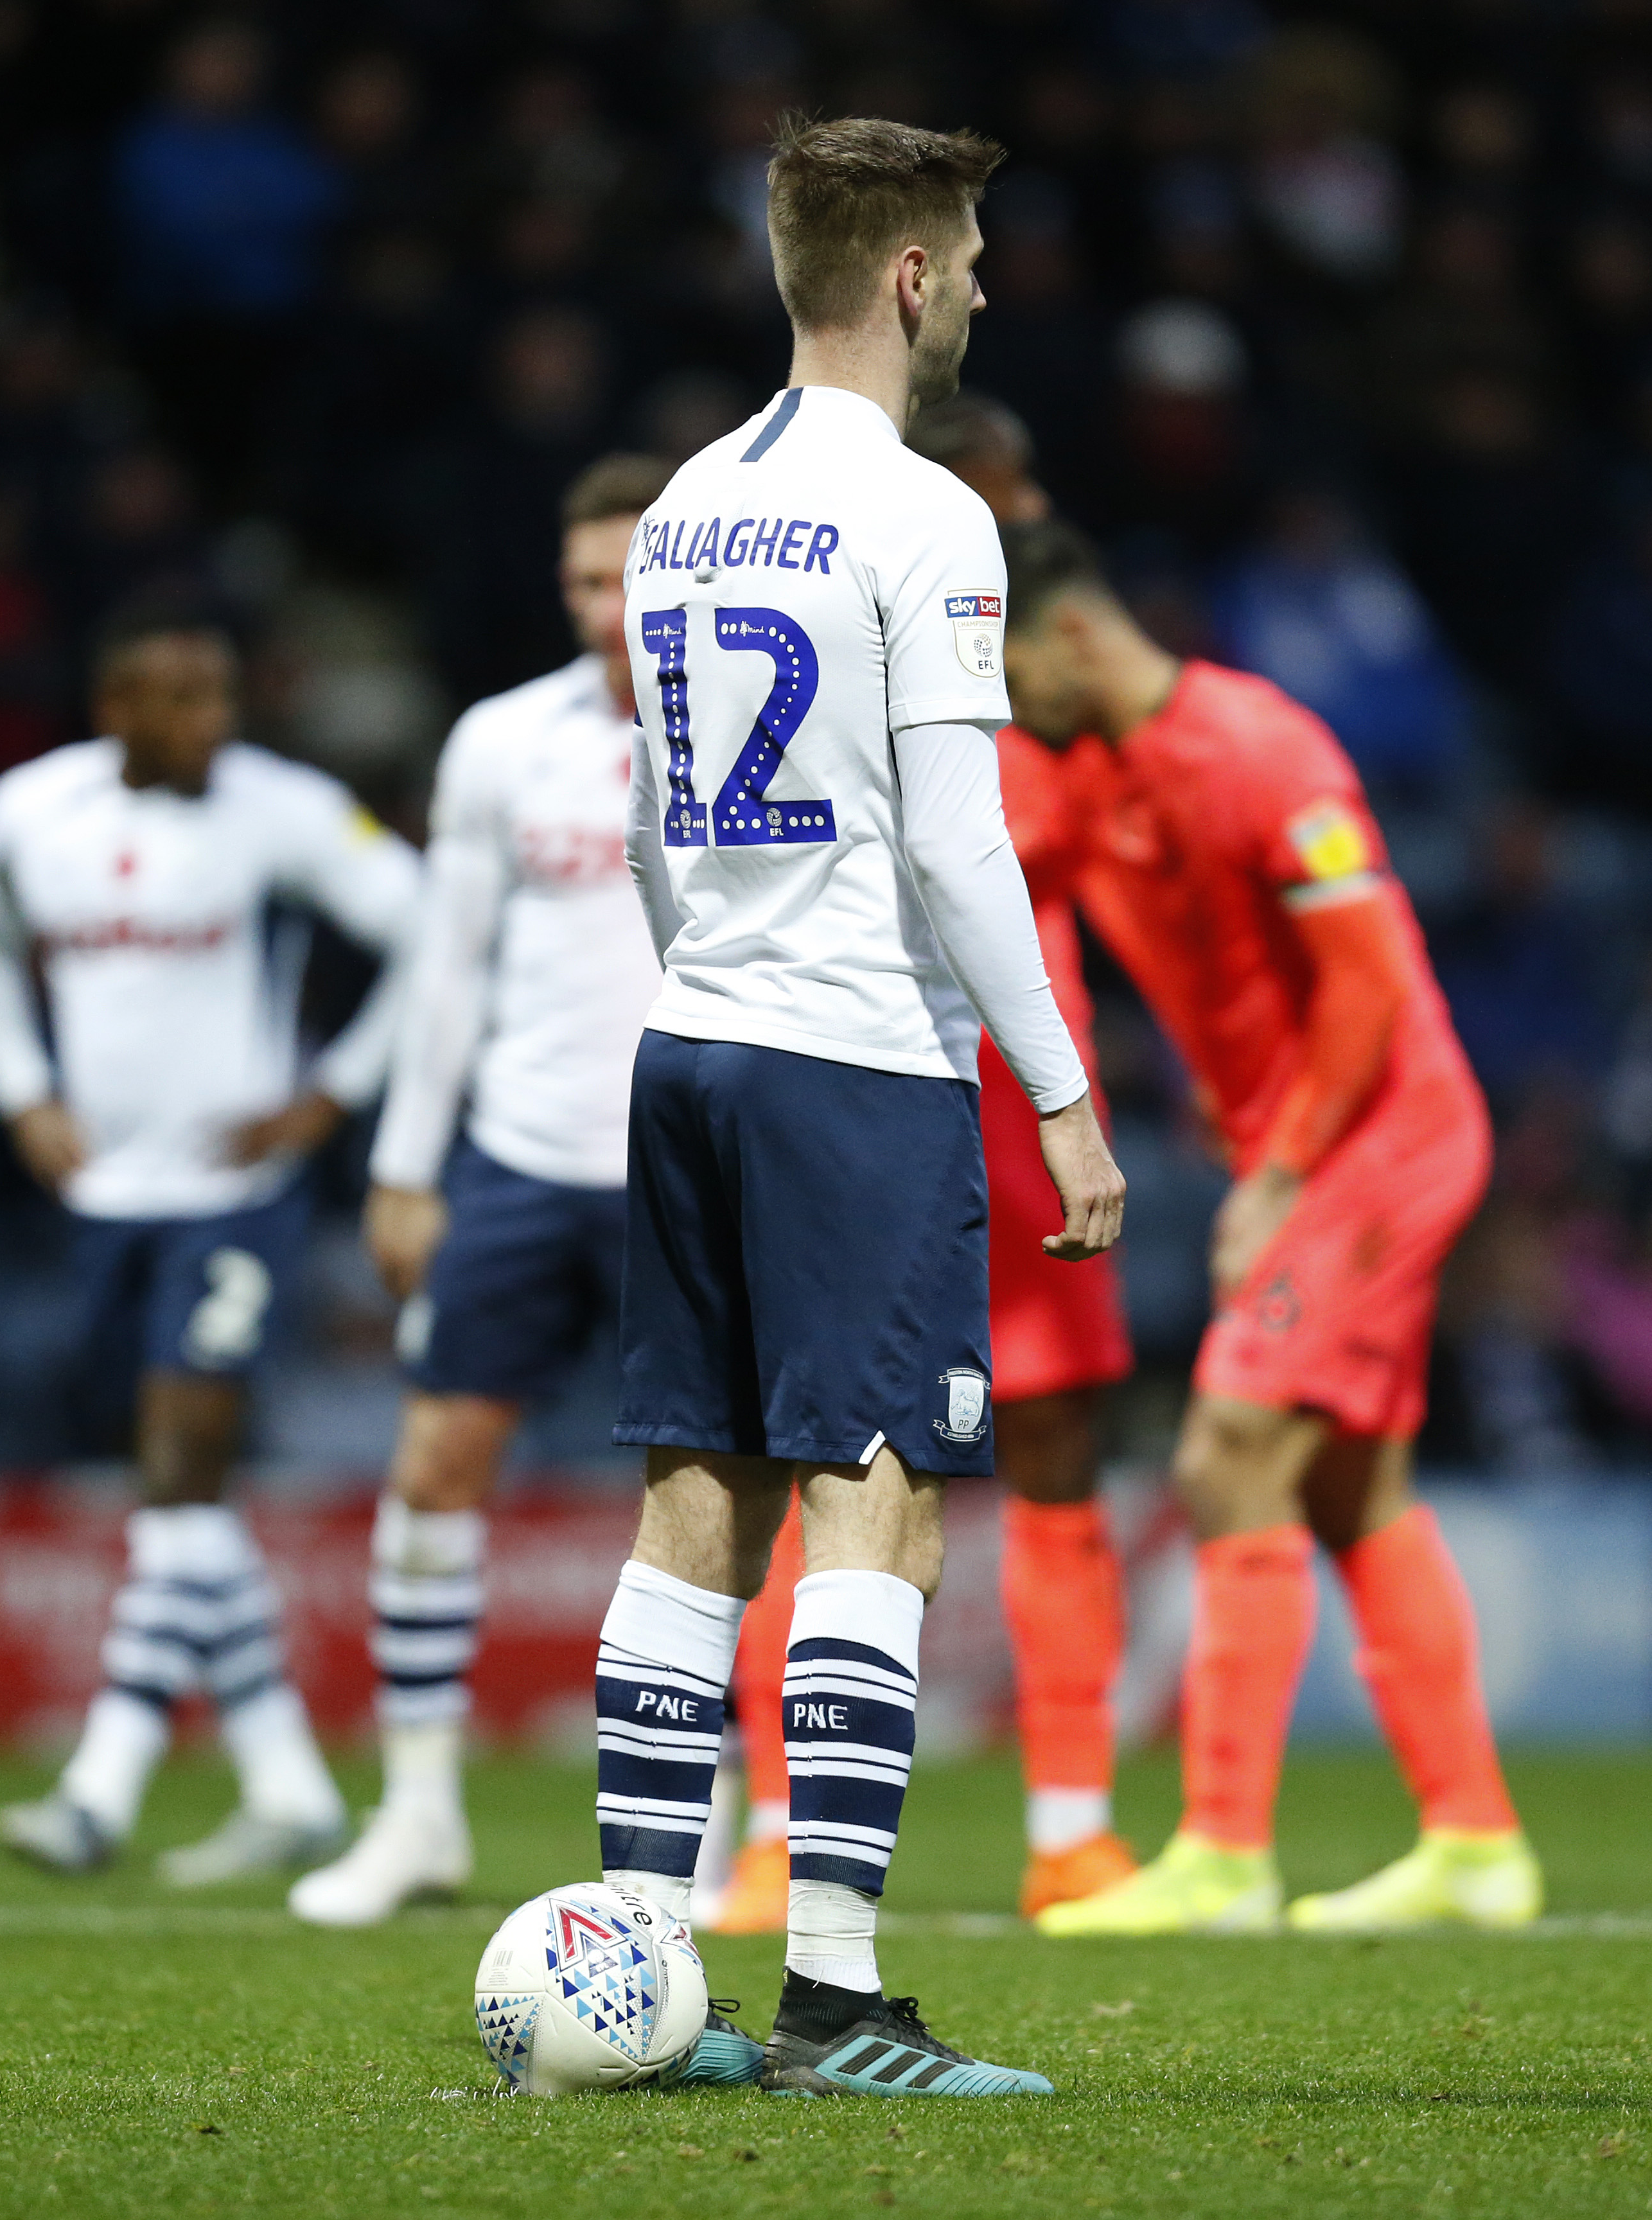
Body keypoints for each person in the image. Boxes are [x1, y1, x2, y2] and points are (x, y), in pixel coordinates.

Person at [587, 116, 1123, 2098]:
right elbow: (968, 852)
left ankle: (639, 1985)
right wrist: (1061, 1096)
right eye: (968, 259)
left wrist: (699, 975)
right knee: (873, 1514)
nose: (980, 287)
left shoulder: (678, 510)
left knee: (688, 1512)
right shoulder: (930, 513)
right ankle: (827, 2001)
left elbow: (647, 812)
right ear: (909, 277)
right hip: (852, 1066)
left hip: (695, 1040)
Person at [993, 517, 1543, 1939]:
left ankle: (1226, 1853)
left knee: (1229, 1445)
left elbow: (1364, 983)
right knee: (1355, 1487)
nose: (1000, 702)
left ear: (1067, 637)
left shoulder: (1261, 750)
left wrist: (1281, 1175)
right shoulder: (1088, 773)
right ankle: (1477, 1844)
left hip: (1383, 1140)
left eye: (1003, 667)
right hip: (1310, 1154)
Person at [710, 392, 1142, 1934]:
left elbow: (1133, 891)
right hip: (885, 1110)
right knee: (818, 1472)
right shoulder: (873, 673)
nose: (1020, 521)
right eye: (1001, 492)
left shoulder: (1036, 702)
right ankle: (776, 1836)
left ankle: (1075, 1836)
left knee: (1051, 1472)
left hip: (1019, 1136)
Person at [0, 589, 419, 1887]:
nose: (215, 721)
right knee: (182, 1507)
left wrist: (331, 1092)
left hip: (232, 1200)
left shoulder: (286, 810)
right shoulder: (32, 814)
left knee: (178, 1464)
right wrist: (19, 1093)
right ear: (118, 710)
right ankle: (289, 1784)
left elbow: (432, 932)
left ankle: (100, 1786)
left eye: (223, 695)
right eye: (186, 699)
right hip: (104, 1202)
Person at [286, 453, 671, 1928]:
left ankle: (695, 1828)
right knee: (435, 1469)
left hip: (677, 1169)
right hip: (515, 1160)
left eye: (628, 574)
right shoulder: (502, 742)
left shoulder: (753, 733)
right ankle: (421, 1817)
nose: (605, 608)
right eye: (583, 580)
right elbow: (444, 965)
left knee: (700, 1504)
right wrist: (401, 1167)